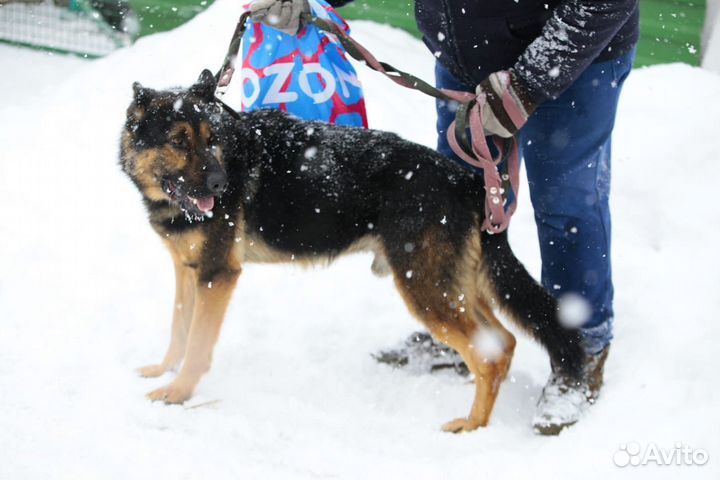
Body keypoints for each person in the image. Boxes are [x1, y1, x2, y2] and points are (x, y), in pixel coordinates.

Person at [249, 0, 639, 435]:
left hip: (571, 58)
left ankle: (579, 351)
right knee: (447, 210)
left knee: (566, 206)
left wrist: (526, 85)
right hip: (467, 51)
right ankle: (467, 328)